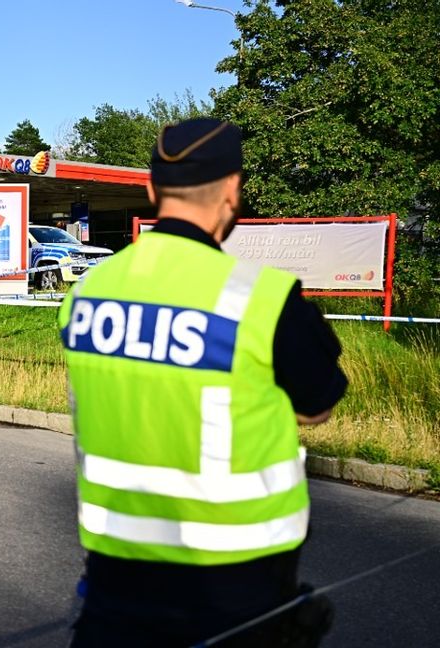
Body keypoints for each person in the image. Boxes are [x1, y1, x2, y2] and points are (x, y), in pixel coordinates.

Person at [58, 118, 347, 647]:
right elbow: (317, 404)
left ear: (150, 191)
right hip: (235, 587)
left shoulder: (87, 293)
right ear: (232, 193)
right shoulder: (260, 299)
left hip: (114, 579)